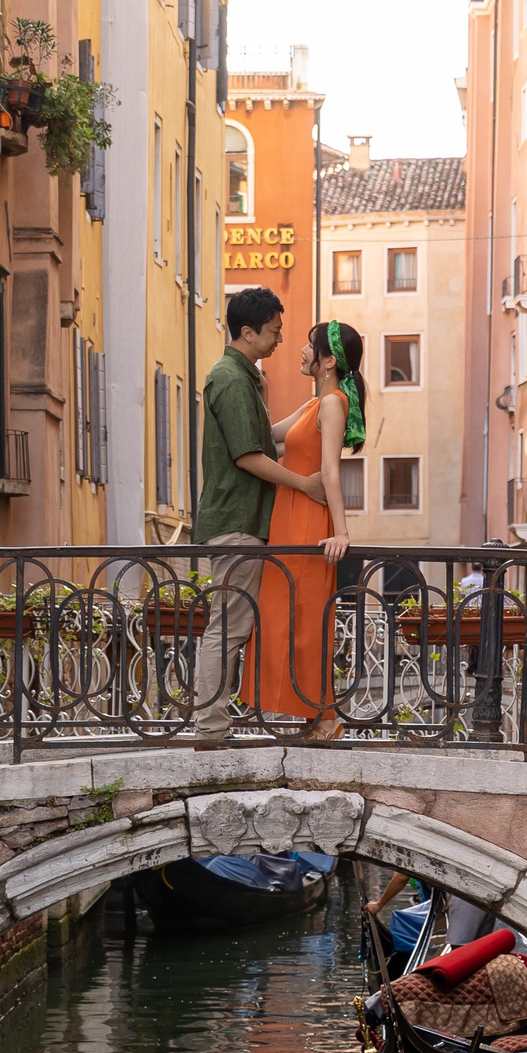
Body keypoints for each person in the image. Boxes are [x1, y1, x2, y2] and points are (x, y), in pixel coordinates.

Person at [191, 287, 326, 745]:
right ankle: (210, 728)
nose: (279, 340)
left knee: (232, 624)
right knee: (228, 627)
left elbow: (261, 442)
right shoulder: (229, 379)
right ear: (247, 332)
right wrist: (305, 484)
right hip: (237, 522)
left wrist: (264, 394)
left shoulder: (242, 378)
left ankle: (214, 723)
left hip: (243, 520)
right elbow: (248, 456)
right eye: (273, 332)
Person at [241, 320, 366, 741]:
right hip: (289, 519)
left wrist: (341, 532)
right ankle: (313, 715)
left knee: (307, 620)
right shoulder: (315, 404)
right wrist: (259, 390)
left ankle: (326, 717)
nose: (300, 350)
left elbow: (330, 470)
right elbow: (270, 435)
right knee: (282, 616)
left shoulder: (332, 403)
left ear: (328, 361)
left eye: (309, 346)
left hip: (309, 522)